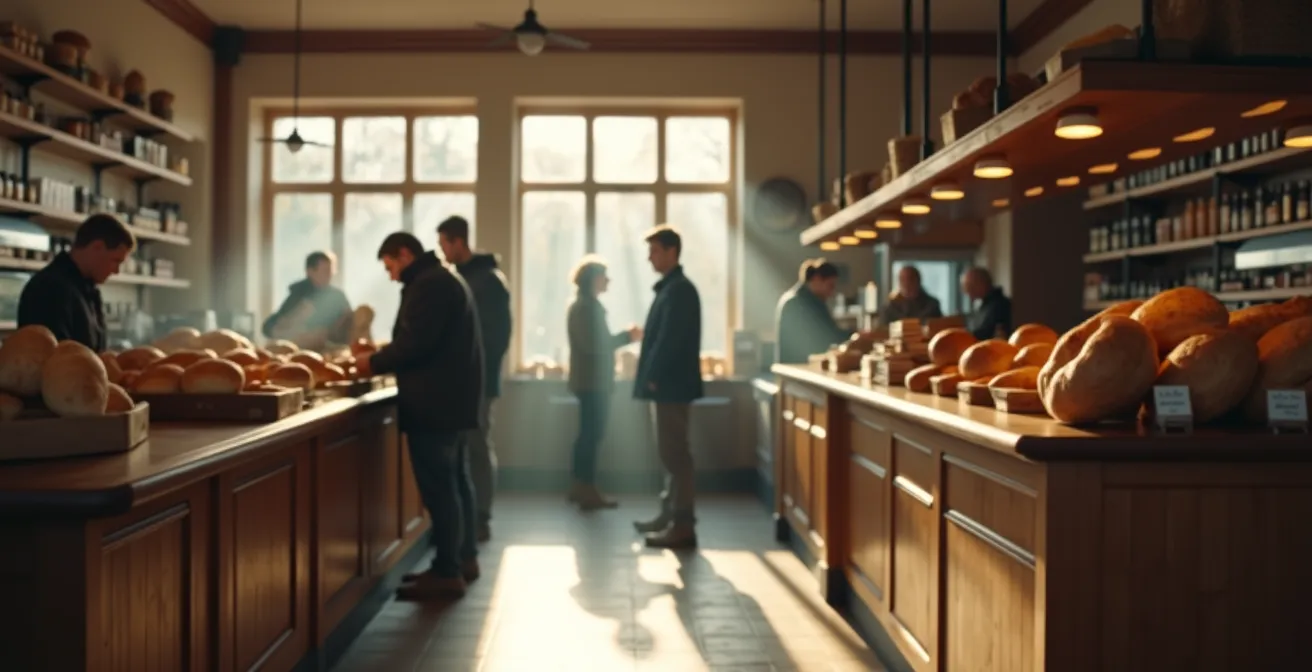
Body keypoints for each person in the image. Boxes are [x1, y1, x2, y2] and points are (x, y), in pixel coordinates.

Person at [355, 232, 483, 601]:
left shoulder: (429, 285)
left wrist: (371, 362)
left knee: (441, 489)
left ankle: (447, 572)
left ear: (405, 254)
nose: (391, 275)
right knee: (457, 484)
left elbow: (416, 344)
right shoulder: (442, 279)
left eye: (391, 265)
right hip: (451, 402)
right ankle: (462, 559)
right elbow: (425, 338)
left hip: (434, 405)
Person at [437, 215, 511, 543]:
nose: (441, 251)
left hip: (478, 380)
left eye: (443, 244)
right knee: (466, 447)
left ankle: (481, 515)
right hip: (461, 380)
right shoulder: (461, 278)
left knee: (478, 445)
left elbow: (497, 337)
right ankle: (469, 515)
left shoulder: (488, 281)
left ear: (457, 242)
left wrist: (475, 371)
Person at [632, 225, 703, 550]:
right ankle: (670, 513)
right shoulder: (672, 288)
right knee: (670, 452)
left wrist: (653, 374)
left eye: (655, 251)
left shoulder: (679, 290)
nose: (649, 257)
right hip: (667, 383)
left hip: (670, 384)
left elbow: (668, 339)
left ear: (672, 251)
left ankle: (682, 523)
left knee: (675, 454)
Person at [565, 256, 641, 510]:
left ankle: (581, 485)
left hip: (589, 381)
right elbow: (596, 344)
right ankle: (587, 488)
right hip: (593, 383)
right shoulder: (587, 308)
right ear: (593, 280)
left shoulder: (584, 306)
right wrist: (627, 337)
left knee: (587, 435)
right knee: (592, 435)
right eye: (604, 276)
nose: (608, 280)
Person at [18, 214, 134, 352]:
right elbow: (55, 361)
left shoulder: (88, 290)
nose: (116, 271)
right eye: (116, 261)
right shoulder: (49, 289)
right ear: (97, 247)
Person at [262, 251, 352, 348]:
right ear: (310, 271)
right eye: (325, 271)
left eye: (331, 271)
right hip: (303, 346)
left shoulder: (337, 296)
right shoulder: (299, 294)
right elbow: (269, 327)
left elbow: (348, 321)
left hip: (335, 344)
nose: (329, 275)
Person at [775, 259, 851, 364]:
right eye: (830, 286)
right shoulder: (802, 303)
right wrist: (857, 336)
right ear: (816, 279)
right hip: (798, 368)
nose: (831, 293)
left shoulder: (795, 298)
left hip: (793, 367)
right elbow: (828, 335)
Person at [961, 266, 1012, 340]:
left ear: (982, 284)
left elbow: (985, 333)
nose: (967, 291)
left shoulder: (999, 305)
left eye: (970, 286)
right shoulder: (982, 305)